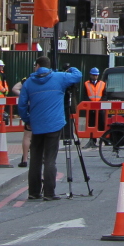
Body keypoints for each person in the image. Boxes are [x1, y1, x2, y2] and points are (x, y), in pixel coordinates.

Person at [16, 56, 82, 201]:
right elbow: (78, 75)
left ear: (38, 65)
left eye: (35, 65)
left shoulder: (28, 83)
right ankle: (49, 192)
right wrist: (70, 68)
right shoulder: (59, 77)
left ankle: (33, 192)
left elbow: (21, 105)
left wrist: (27, 120)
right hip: (54, 124)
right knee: (50, 159)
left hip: (36, 124)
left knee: (35, 159)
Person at [10, 77, 30, 167]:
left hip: (30, 112)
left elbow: (14, 88)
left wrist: (23, 82)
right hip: (43, 113)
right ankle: (43, 157)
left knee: (27, 136)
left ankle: (25, 159)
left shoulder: (28, 84)